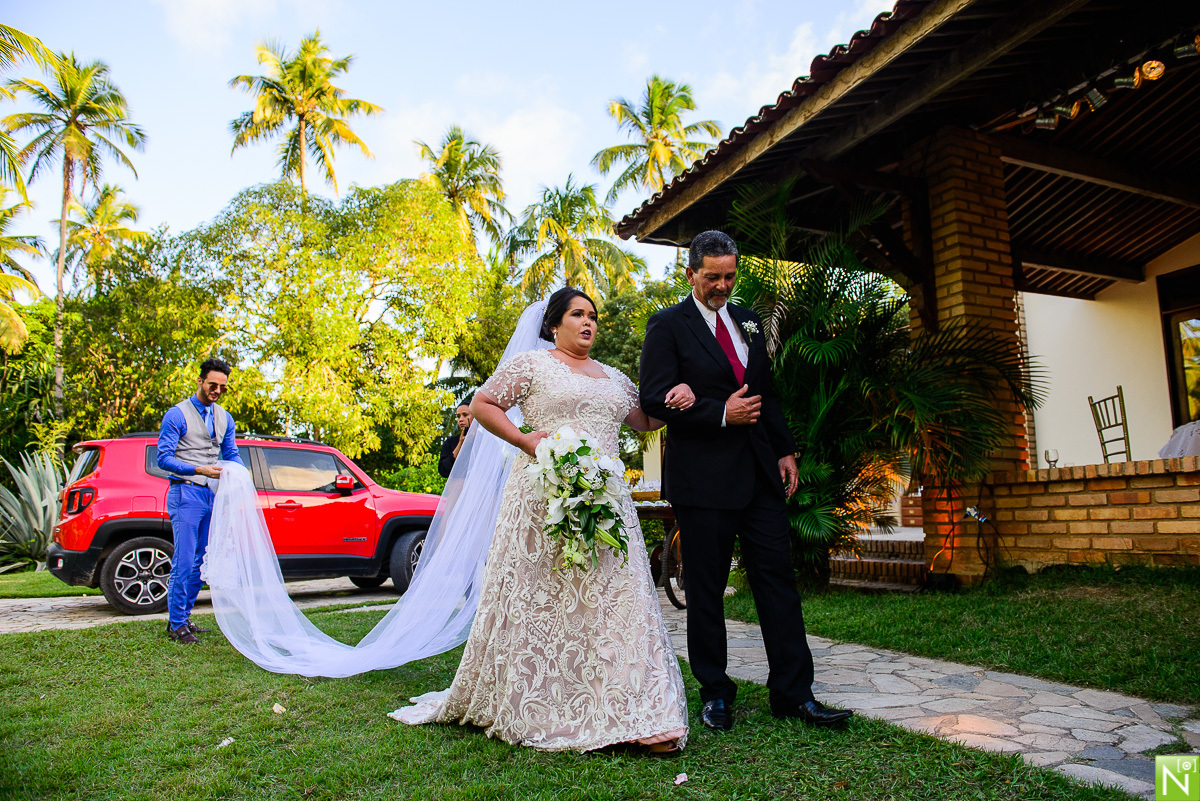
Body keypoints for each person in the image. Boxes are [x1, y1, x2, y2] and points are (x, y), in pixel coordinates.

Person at [394, 287, 697, 753]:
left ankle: (642, 713)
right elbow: (484, 404)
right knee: (544, 602)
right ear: (554, 324)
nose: (588, 322)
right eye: (577, 314)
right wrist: (525, 440)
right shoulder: (532, 366)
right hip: (541, 501)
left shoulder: (615, 378)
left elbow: (647, 421)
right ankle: (543, 701)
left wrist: (680, 395)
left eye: (593, 315)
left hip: (606, 505)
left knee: (618, 603)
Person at [638, 230, 853, 730]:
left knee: (778, 582)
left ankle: (794, 694)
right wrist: (719, 413)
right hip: (702, 481)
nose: (722, 285)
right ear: (690, 273)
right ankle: (715, 693)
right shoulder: (667, 326)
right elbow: (652, 397)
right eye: (712, 276)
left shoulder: (749, 321)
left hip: (759, 474)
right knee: (706, 590)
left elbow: (765, 392)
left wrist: (784, 449)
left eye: (729, 276)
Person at [156, 358, 244, 645]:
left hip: (211, 495)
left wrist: (241, 476)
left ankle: (183, 618)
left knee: (202, 561)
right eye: (212, 385)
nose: (217, 390)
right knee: (183, 561)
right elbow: (163, 459)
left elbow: (231, 453)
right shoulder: (177, 414)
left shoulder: (225, 417)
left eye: (223, 387)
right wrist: (198, 469)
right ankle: (176, 625)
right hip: (185, 493)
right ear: (200, 381)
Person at [437, 402, 473, 478]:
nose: (461, 419)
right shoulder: (450, 442)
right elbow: (443, 470)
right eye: (458, 416)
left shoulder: (484, 441)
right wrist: (460, 444)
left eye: (465, 415)